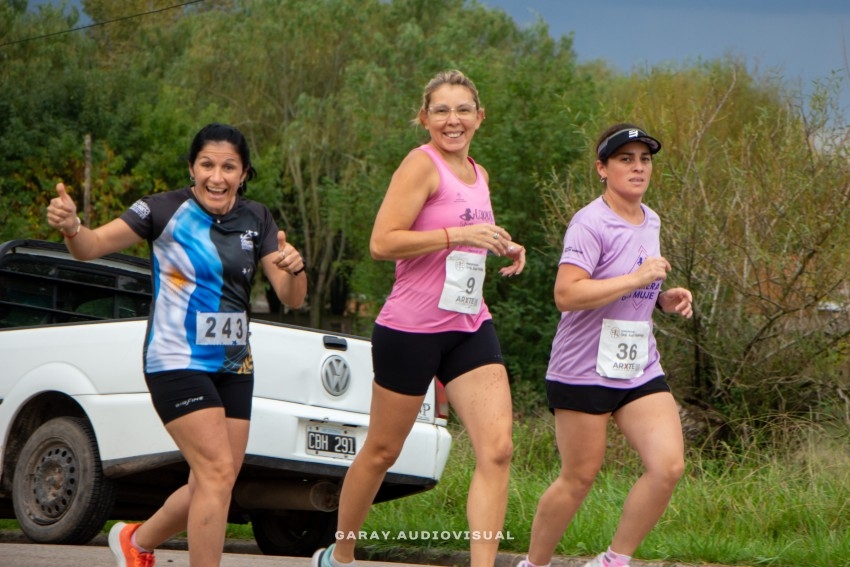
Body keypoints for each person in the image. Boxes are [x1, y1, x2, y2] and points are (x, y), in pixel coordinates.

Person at [46, 123, 307, 567]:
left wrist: (295, 267)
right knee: (217, 472)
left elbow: (290, 297)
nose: (217, 176)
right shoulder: (162, 210)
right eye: (207, 164)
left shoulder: (257, 218)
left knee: (218, 479)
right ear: (192, 167)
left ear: (243, 173)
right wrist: (73, 227)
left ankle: (136, 540)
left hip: (234, 364)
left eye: (229, 167)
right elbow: (90, 247)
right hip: (175, 359)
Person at [311, 69, 526, 567]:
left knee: (497, 449)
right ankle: (339, 555)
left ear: (480, 116)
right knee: (383, 450)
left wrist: (501, 242)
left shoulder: (479, 172)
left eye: (463, 109)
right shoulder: (420, 164)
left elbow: (471, 232)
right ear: (425, 118)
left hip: (469, 324)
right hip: (411, 329)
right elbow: (383, 242)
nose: (454, 120)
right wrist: (458, 236)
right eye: (442, 111)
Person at [517, 124, 693, 567]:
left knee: (668, 466)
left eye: (644, 159)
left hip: (638, 365)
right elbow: (568, 294)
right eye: (625, 159)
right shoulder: (589, 223)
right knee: (578, 478)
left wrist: (661, 299)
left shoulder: (650, 218)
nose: (637, 168)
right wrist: (637, 279)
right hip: (583, 369)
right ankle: (532, 564)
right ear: (602, 168)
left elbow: (629, 289)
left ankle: (613, 560)